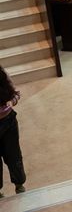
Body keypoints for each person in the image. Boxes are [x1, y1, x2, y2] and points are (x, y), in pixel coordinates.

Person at [0, 66, 26, 197]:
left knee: (14, 155)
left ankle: (19, 186)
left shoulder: (1, 74)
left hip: (9, 121)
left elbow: (16, 93)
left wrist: (11, 101)